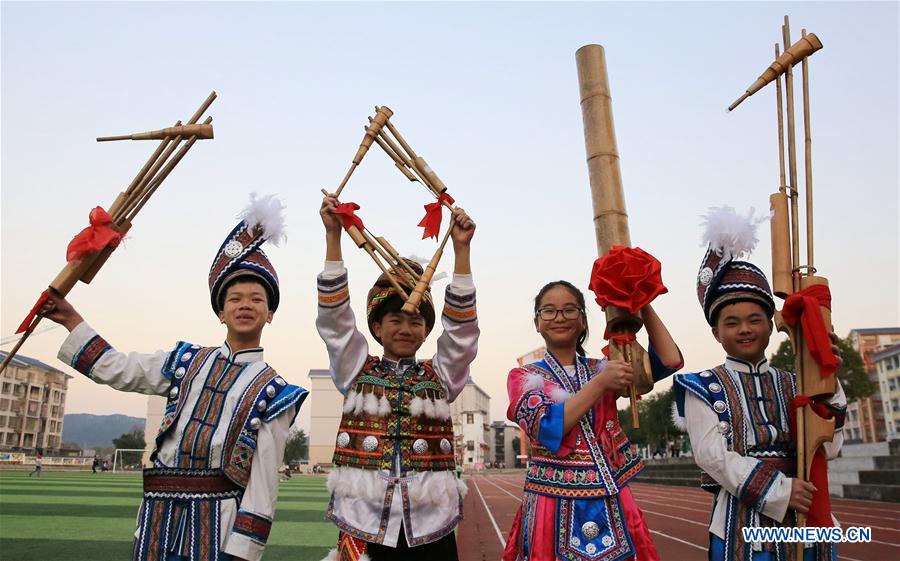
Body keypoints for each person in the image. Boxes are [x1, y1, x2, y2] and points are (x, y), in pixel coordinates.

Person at [39, 195, 307, 561]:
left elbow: (263, 486)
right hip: (158, 519)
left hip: (221, 526)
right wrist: (71, 319)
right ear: (221, 313)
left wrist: (242, 552)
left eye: (257, 299)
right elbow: (118, 368)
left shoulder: (277, 393)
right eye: (235, 298)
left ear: (270, 313)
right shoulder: (185, 362)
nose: (245, 305)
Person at [672, 206, 846, 561]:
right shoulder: (702, 386)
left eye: (755, 319)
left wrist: (827, 372)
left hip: (807, 515)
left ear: (771, 324)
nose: (745, 329)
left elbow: (828, 446)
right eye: (732, 323)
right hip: (741, 520)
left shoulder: (797, 381)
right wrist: (780, 490)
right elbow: (712, 457)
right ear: (715, 332)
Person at [317, 194, 478, 561]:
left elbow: (461, 336)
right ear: (376, 326)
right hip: (364, 520)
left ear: (425, 332)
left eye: (416, 321)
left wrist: (461, 252)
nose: (406, 328)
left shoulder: (439, 377)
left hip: (430, 526)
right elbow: (335, 323)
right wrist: (333, 239)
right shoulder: (356, 369)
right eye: (396, 319)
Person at [503, 279, 683, 561]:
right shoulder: (523, 377)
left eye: (569, 309)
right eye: (548, 311)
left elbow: (669, 360)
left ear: (584, 320)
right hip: (552, 499)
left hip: (611, 494)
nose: (559, 317)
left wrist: (641, 300)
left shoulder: (605, 365)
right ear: (537, 322)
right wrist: (601, 384)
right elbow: (548, 428)